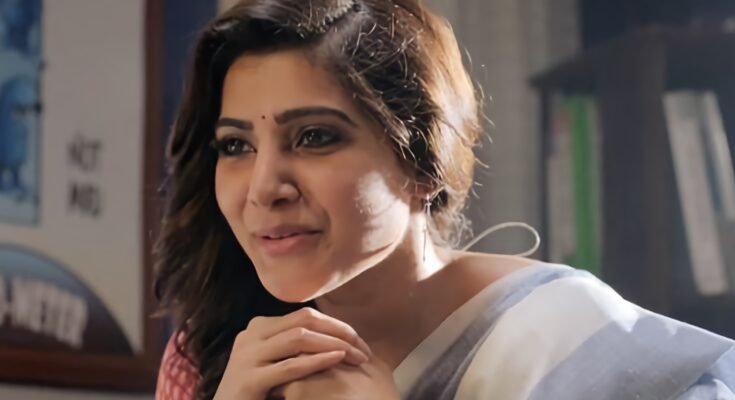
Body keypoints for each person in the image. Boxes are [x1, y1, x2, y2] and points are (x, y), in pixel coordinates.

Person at [153, 0, 735, 399]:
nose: (263, 188)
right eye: (236, 146)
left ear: (423, 160)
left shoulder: (565, 341)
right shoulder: (208, 355)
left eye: (314, 137)